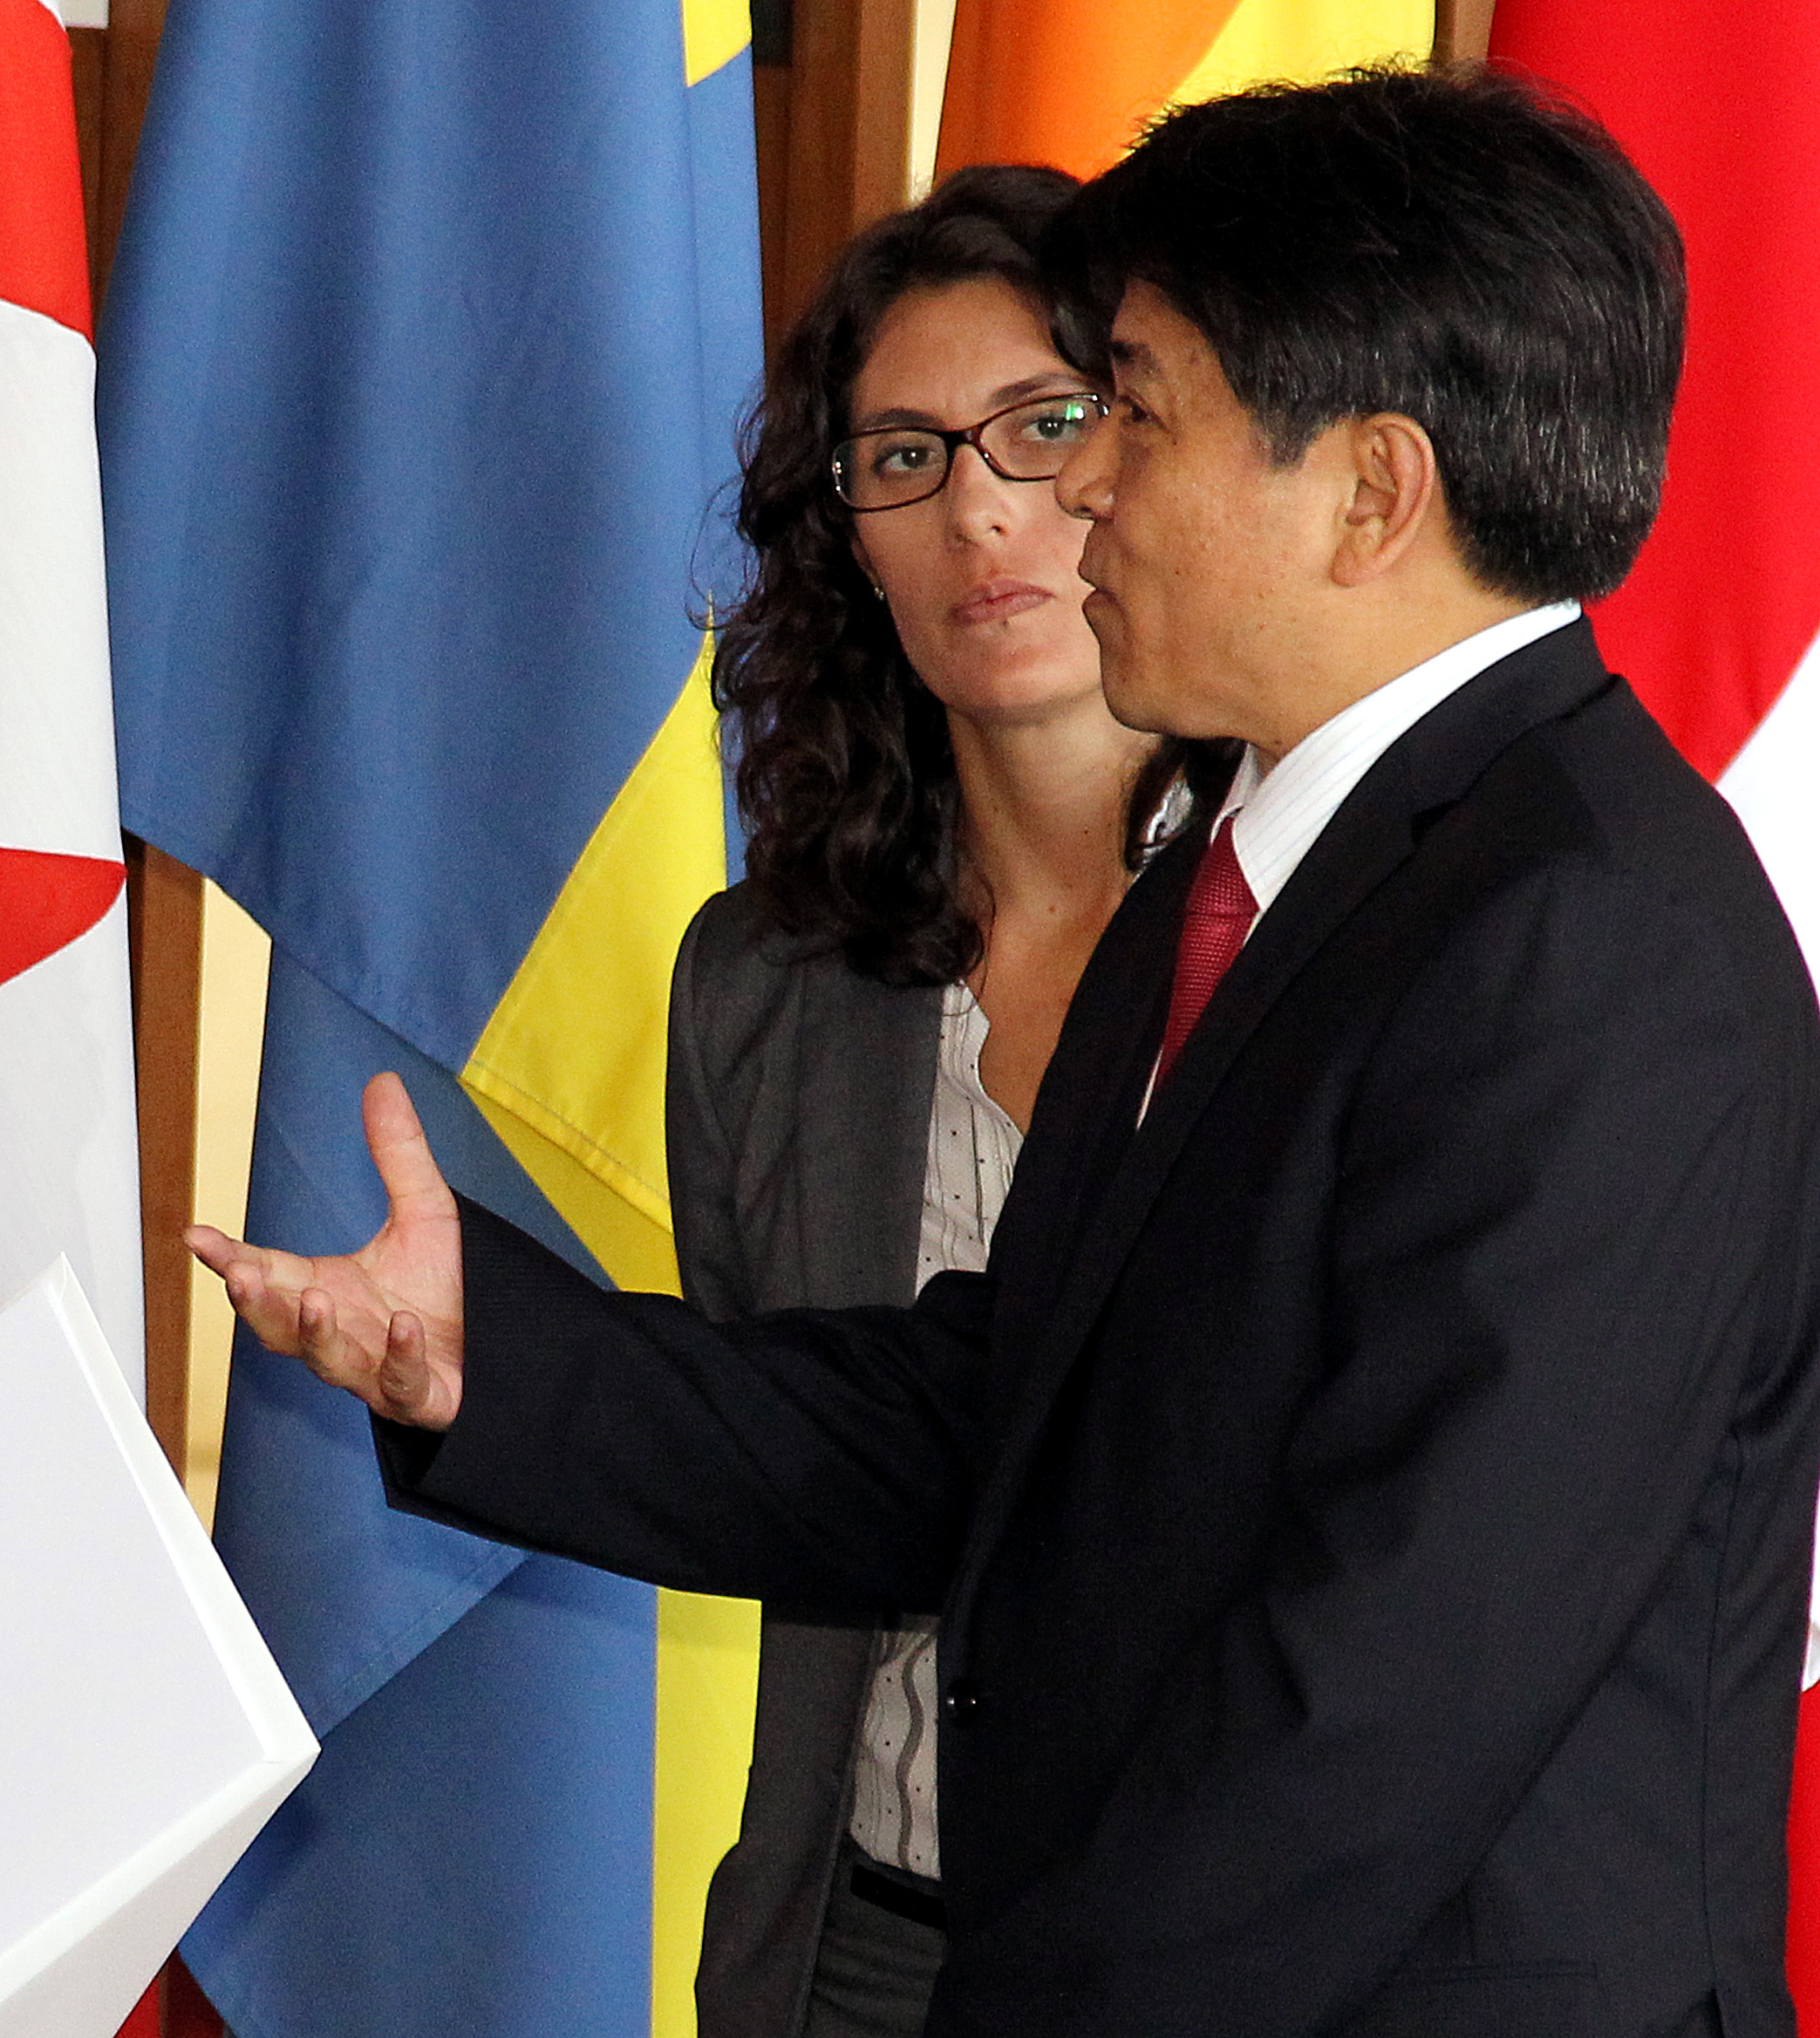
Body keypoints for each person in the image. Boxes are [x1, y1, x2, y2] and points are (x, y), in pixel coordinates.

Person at [197, 65, 1820, 2038]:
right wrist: (492, 1357)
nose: (1079, 493)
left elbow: (1378, 1694)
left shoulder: (1584, 936)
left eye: (1129, 411)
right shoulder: (1251, 886)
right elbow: (1015, 1412)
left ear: (1371, 493)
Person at [679, 165, 1222, 2038]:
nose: (980, 504)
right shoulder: (758, 984)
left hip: (1221, 1957)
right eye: (900, 456)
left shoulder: (1338, 942)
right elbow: (785, 1475)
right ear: (849, 544)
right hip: (853, 1951)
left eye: (1043, 424)